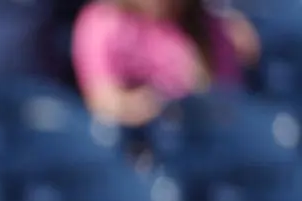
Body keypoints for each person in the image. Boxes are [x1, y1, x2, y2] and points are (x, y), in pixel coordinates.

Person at [71, 0, 259, 127]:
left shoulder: (212, 27)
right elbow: (104, 102)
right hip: (142, 149)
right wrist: (147, 106)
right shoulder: (102, 22)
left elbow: (229, 99)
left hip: (205, 142)